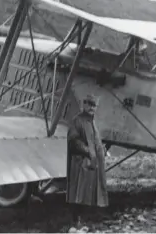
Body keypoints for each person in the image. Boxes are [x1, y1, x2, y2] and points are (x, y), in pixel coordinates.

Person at [66, 94, 109, 224]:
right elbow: (73, 141)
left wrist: (102, 150)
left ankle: (86, 218)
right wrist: (88, 152)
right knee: (79, 192)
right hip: (81, 163)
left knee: (90, 192)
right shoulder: (77, 120)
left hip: (93, 164)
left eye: (94, 105)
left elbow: (94, 140)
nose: (91, 107)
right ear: (83, 104)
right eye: (89, 103)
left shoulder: (93, 122)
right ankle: (77, 220)